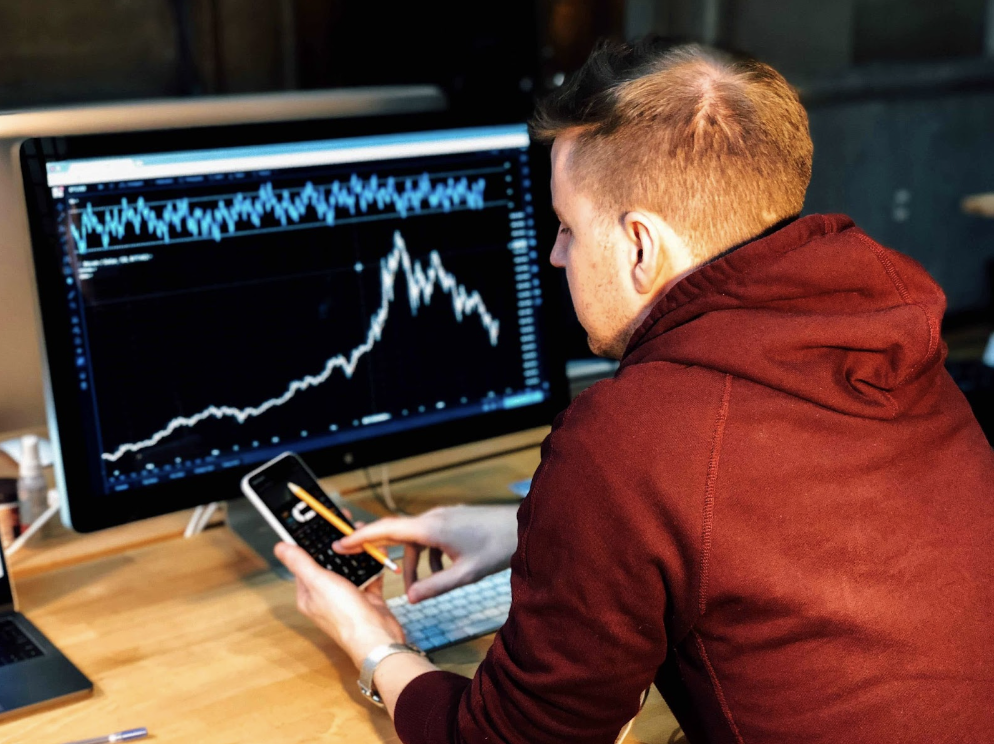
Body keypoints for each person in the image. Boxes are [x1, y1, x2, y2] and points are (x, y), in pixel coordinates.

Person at [275, 37, 994, 743]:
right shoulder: (890, 338)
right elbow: (772, 528)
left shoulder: (632, 438)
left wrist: (372, 643)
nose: (556, 255)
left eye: (567, 228)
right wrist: (530, 533)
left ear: (640, 247)